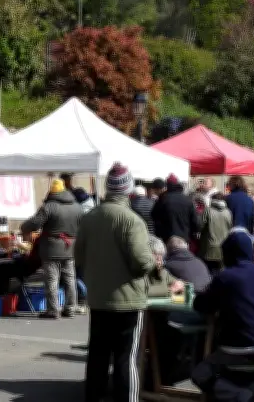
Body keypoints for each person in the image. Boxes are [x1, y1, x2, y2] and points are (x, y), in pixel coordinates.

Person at [74, 163, 154, 402]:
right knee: (126, 357)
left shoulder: (89, 218)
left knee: (98, 354)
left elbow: (79, 256)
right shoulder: (132, 220)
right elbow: (141, 261)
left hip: (99, 297)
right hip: (128, 298)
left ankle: (94, 397)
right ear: (128, 189)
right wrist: (153, 261)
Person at [193, 228, 254, 347]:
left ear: (227, 253)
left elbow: (202, 305)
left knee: (205, 361)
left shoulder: (226, 276)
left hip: (240, 347)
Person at [21, 178, 84, 319]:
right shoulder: (77, 207)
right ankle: (70, 308)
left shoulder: (49, 207)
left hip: (51, 249)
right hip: (70, 248)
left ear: (52, 191)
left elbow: (34, 223)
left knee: (52, 280)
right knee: (70, 279)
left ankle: (53, 310)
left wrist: (24, 227)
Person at [151, 174, 199, 243]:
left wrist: (159, 233)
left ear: (167, 185)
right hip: (184, 237)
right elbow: (194, 221)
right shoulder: (188, 200)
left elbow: (154, 216)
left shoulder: (162, 199)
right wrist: (192, 234)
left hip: (167, 237)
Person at [197, 193, 232, 273]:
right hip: (224, 246)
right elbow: (230, 227)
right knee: (221, 272)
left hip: (209, 246)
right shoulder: (228, 212)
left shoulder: (208, 210)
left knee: (208, 271)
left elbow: (200, 226)